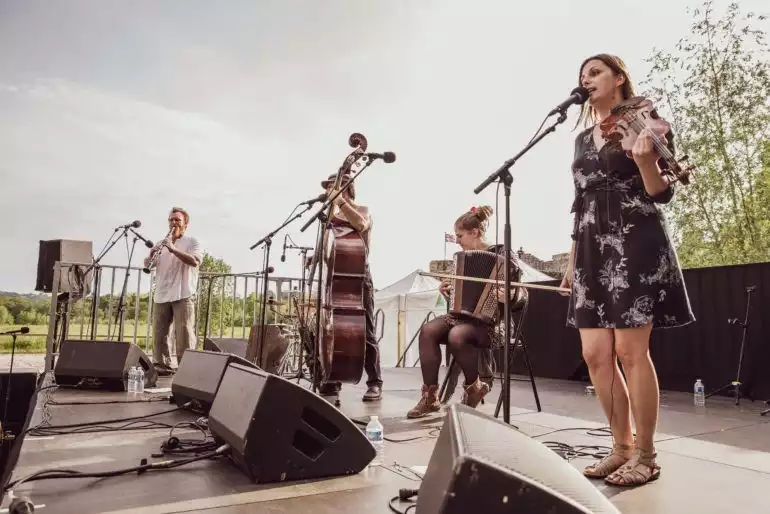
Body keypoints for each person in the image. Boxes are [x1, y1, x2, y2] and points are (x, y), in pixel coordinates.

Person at [561, 54, 695, 486]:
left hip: (634, 237)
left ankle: (647, 454)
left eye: (596, 72)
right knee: (595, 354)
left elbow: (660, 192)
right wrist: (570, 260)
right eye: (583, 75)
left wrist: (643, 162)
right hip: (589, 247)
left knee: (630, 352)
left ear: (618, 78)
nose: (588, 79)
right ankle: (620, 447)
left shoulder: (645, 122)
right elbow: (579, 200)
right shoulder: (582, 138)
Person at [407, 205, 521, 419]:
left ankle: (473, 388)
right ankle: (430, 397)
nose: (457, 240)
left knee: (457, 336)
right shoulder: (460, 259)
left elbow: (521, 294)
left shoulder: (504, 254)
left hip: (492, 323)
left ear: (474, 232)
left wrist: (509, 295)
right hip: (459, 318)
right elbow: (457, 299)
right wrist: (447, 291)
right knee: (428, 331)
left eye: (460, 235)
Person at [307, 173, 383, 402]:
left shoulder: (362, 209)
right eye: (329, 187)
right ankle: (332, 378)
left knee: (366, 332)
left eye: (333, 186)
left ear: (346, 188)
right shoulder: (329, 216)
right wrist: (315, 256)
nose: (329, 190)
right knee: (330, 331)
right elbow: (329, 249)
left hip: (358, 279)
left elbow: (361, 225)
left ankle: (375, 382)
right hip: (335, 281)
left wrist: (340, 201)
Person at [146, 206, 203, 376]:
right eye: (171, 220)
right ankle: (162, 366)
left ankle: (187, 368)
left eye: (177, 220)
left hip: (183, 293)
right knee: (159, 333)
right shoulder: (161, 243)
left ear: (186, 224)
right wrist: (150, 256)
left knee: (184, 333)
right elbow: (149, 264)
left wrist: (172, 248)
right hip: (162, 293)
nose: (173, 223)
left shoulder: (193, 242)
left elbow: (195, 261)